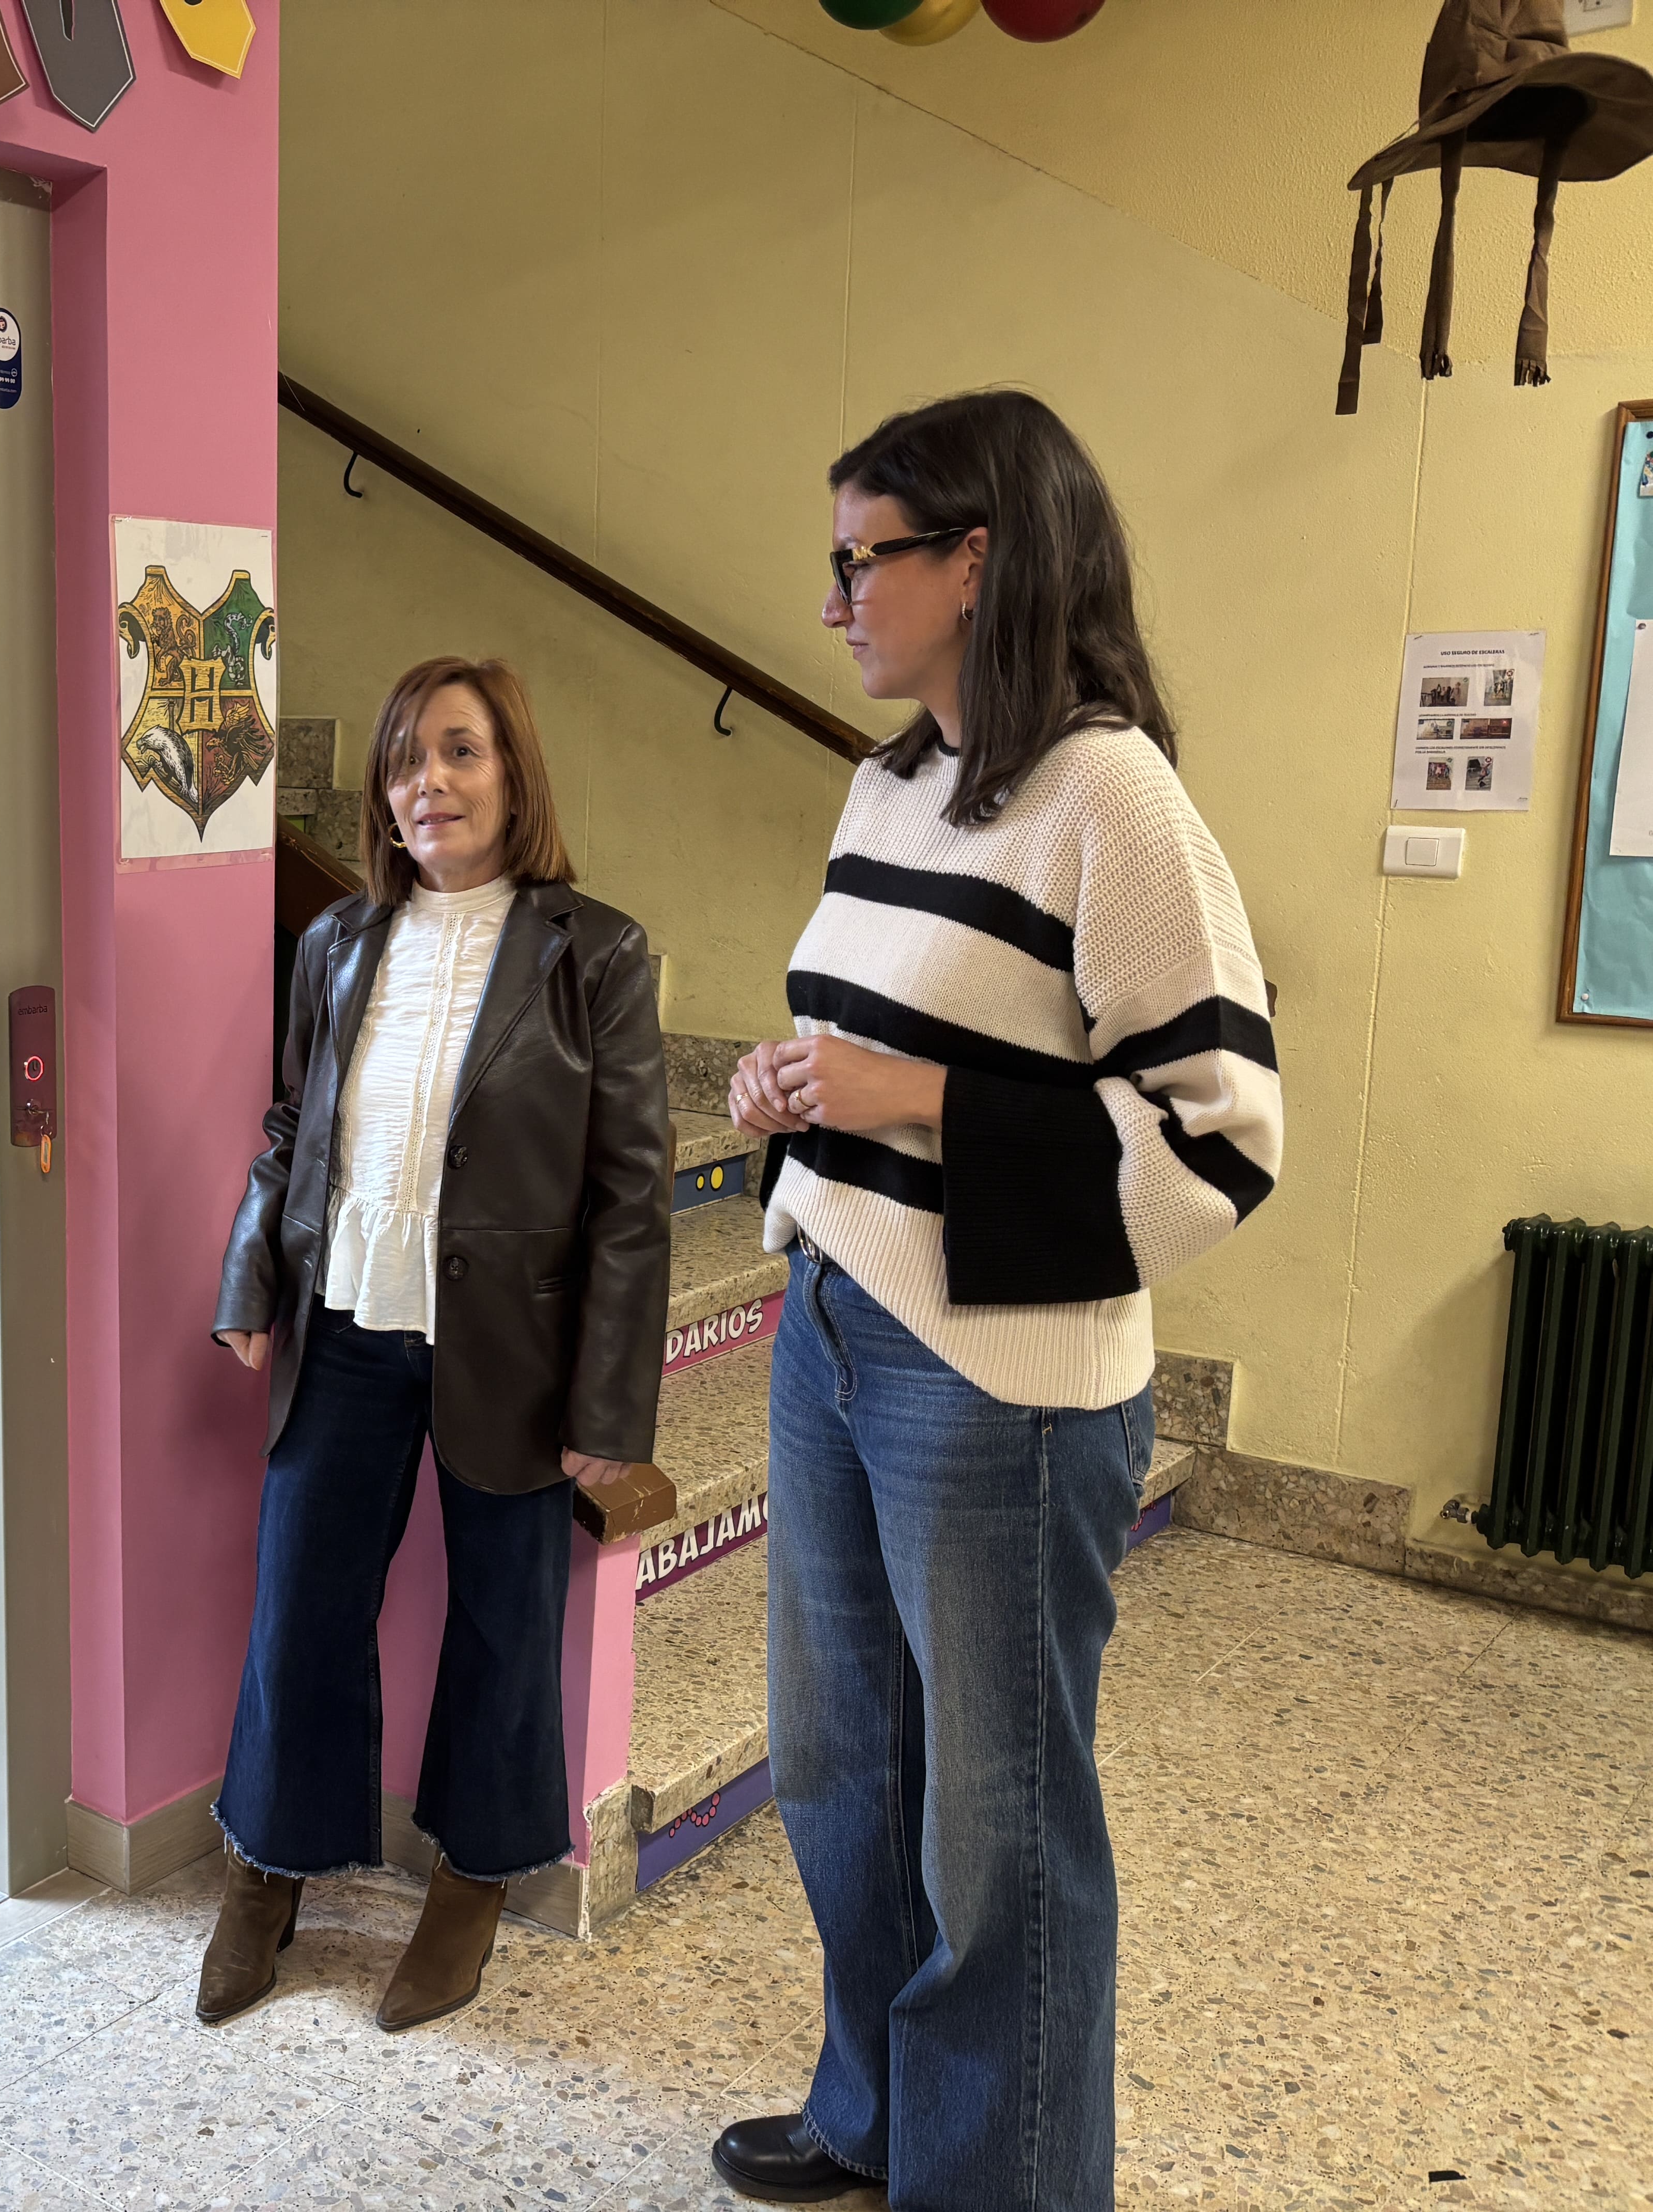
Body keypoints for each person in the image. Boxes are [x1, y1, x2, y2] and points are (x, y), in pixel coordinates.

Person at [712, 391, 1282, 2209]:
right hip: (834, 1319)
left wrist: (919, 1099)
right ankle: (879, 2112)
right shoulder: (889, 779)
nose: (835, 603)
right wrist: (792, 1089)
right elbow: (876, 1035)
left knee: (1001, 1830)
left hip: (1001, 1383)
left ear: (979, 560)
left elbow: (1221, 1138)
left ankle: (1005, 2179)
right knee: (836, 1766)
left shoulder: (1112, 795)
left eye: (862, 558)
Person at [201, 655, 671, 2032]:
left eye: (460, 753)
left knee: (504, 1622)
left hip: (512, 1351)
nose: (429, 783)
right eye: (406, 759)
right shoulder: (336, 943)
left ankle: (473, 1878)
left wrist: (609, 1408)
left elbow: (631, 1199)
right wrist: (253, 1274)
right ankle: (268, 1864)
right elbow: (294, 1128)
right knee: (300, 1600)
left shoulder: (599, 952)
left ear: (513, 774)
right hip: (347, 1322)